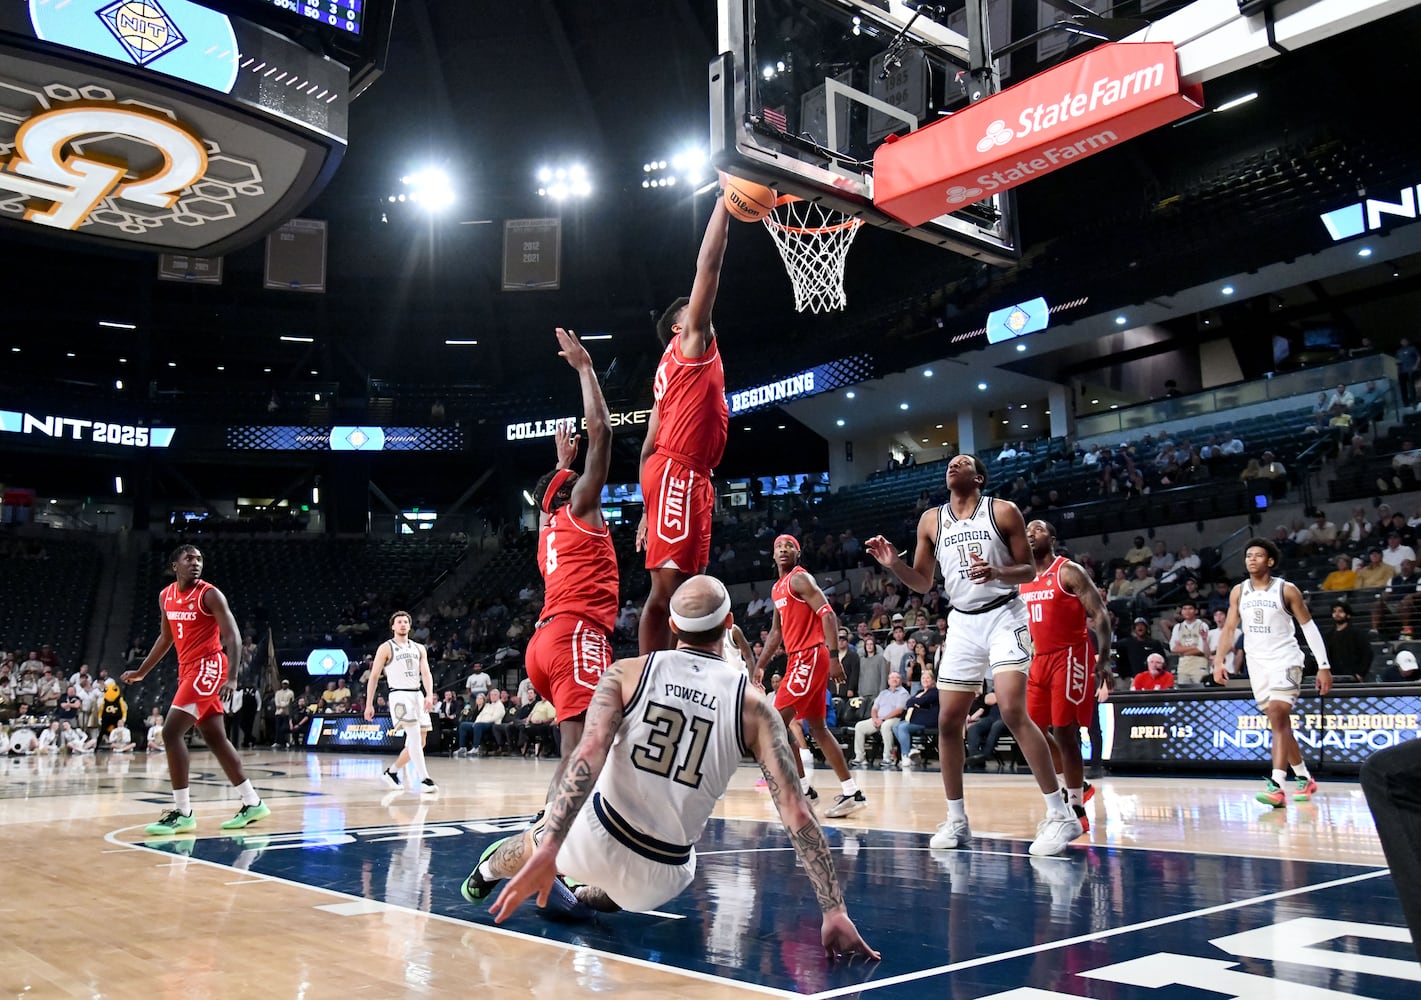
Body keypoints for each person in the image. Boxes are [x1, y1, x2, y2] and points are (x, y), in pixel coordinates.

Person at [469, 575, 880, 963]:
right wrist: (834, 910)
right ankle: (580, 891)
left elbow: (586, 757)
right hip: (663, 876)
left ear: (672, 625)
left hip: (593, 837)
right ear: (730, 624)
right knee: (611, 893)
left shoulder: (627, 673)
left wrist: (551, 845)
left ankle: (488, 871)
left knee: (530, 844)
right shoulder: (757, 708)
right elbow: (797, 814)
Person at [866, 454, 1081, 857]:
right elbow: (923, 581)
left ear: (978, 476)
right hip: (962, 623)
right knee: (948, 721)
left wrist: (997, 573)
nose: (952, 466)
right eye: (950, 463)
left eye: (962, 463)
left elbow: (1029, 572)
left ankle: (1060, 814)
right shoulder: (932, 520)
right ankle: (957, 819)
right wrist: (894, 564)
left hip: (1004, 615)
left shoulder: (1003, 510)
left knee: (1014, 710)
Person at [525, 327, 618, 798]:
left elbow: (543, 506)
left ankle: (568, 837)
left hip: (543, 644)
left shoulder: (548, 535)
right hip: (576, 634)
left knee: (599, 740)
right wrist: (585, 369)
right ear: (571, 492)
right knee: (580, 748)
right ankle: (551, 845)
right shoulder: (580, 510)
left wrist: (560, 463)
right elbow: (600, 434)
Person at [121, 544, 270, 834]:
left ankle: (183, 812)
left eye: (200, 559)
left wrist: (232, 678)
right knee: (215, 738)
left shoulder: (209, 594)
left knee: (170, 732)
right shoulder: (166, 596)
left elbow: (233, 636)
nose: (196, 563)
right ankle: (253, 803)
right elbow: (165, 639)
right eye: (189, 559)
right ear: (175, 564)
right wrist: (141, 671)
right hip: (187, 669)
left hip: (209, 665)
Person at [637, 198, 731, 653]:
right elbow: (707, 266)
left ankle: (681, 666)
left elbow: (648, 446)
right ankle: (649, 673)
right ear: (680, 325)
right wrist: (725, 204)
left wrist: (646, 510)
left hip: (680, 474)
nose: (702, 315)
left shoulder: (668, 375)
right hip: (678, 470)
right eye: (692, 311)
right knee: (669, 589)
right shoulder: (689, 344)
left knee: (690, 584)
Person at [1212, 538, 1333, 809]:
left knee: (1278, 714)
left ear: (1270, 561)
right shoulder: (1239, 592)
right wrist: (1219, 660)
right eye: (1248, 555)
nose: (1251, 559)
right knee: (1280, 724)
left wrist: (1323, 665)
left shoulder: (1287, 590)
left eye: (1258, 555)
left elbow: (1308, 628)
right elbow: (1230, 629)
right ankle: (1304, 777)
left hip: (1286, 659)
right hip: (1258, 664)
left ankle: (1277, 785)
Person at [752, 534, 864, 817]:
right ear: (773, 554)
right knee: (817, 727)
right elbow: (776, 633)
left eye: (789, 546)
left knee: (774, 723)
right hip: (797, 658)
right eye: (778, 546)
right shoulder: (777, 588)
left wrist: (836, 655)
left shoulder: (800, 579)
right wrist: (760, 664)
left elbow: (828, 615)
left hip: (811, 654)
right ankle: (851, 792)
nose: (783, 549)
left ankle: (802, 789)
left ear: (797, 553)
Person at [1020, 520, 1112, 833]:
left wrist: (1105, 656)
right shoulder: (1022, 578)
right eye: (1027, 530)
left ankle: (1076, 807)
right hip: (1038, 660)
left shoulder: (1068, 570)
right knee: (1029, 730)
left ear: (1053, 538)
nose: (1030, 533)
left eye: (1038, 529)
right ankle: (1078, 783)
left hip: (1070, 656)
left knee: (1065, 732)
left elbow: (1099, 614)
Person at [364, 610, 438, 794]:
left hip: (417, 694)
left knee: (420, 742)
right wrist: (369, 704)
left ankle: (392, 772)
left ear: (410, 625)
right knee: (413, 738)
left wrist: (429, 695)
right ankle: (425, 779)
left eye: (406, 621)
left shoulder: (419, 648)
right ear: (393, 626)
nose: (403, 624)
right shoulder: (386, 647)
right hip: (399, 695)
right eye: (399, 622)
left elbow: (426, 673)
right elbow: (373, 677)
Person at [1322, 601, 1373, 683]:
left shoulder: (1357, 633)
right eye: (1334, 611)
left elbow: (1368, 654)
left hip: (1352, 676)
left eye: (1340, 611)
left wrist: (1360, 674)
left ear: (1348, 614)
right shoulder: (1328, 635)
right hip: (1333, 677)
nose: (1337, 614)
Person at [1169, 602, 1211, 686]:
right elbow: (1173, 648)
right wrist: (1193, 647)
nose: (1187, 611)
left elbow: (1201, 649)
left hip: (1199, 664)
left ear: (1195, 611)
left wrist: (1181, 649)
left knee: (1201, 692)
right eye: (1185, 609)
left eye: (1190, 608)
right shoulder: (1178, 627)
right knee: (1184, 694)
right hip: (1183, 666)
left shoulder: (1202, 625)